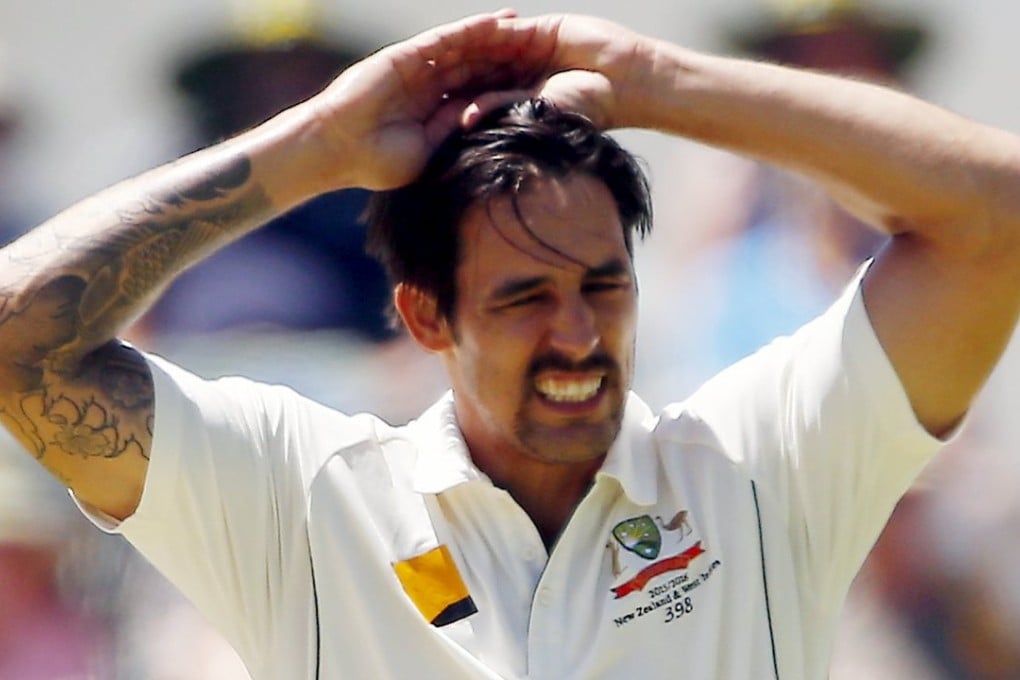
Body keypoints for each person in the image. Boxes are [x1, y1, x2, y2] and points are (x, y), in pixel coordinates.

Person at [1, 9, 1018, 679]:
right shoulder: (307, 494)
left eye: (603, 285)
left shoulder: (757, 467)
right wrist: (314, 146)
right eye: (523, 296)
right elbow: (16, 339)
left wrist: (656, 82)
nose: (577, 334)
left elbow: (996, 218)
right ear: (424, 316)